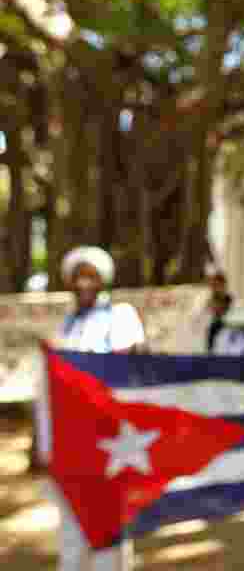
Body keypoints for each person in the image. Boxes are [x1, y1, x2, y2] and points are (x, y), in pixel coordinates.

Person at [48, 245, 146, 571]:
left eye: (91, 277)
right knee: (72, 528)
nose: (84, 284)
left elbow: (131, 365)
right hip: (71, 442)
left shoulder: (120, 317)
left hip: (109, 440)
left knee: (108, 530)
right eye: (79, 278)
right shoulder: (65, 327)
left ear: (102, 281)